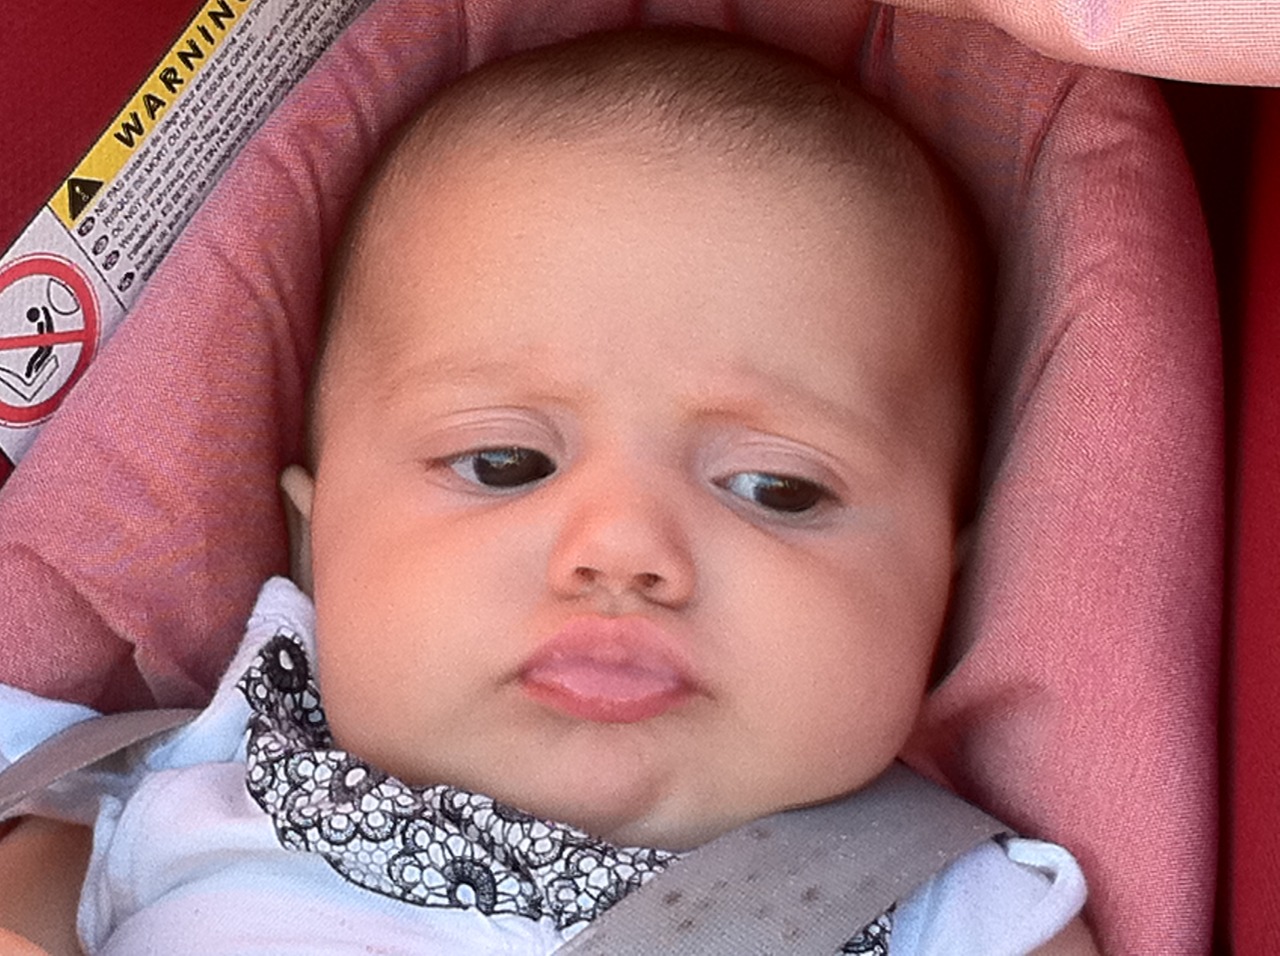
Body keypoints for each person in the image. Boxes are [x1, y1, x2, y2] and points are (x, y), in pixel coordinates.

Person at [0, 27, 1097, 955]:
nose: (621, 546)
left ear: (941, 587)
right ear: (312, 540)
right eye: (504, 463)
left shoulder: (965, 916)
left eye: (776, 486)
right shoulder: (161, 799)